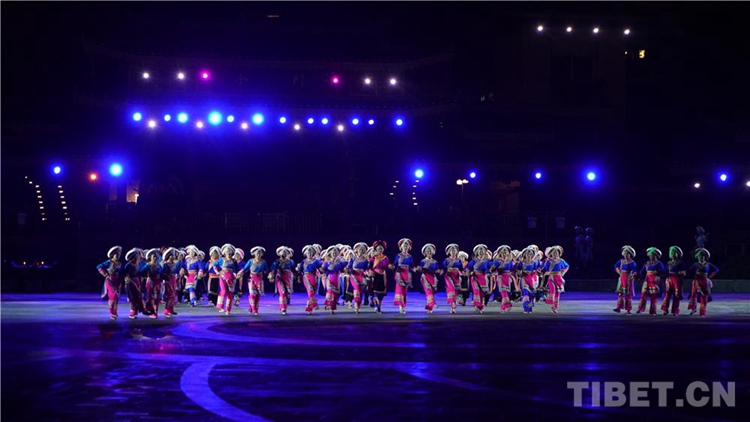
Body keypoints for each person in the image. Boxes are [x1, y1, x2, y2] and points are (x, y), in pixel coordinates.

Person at [237, 247, 268, 315]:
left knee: (257, 295)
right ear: (254, 254)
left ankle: (253, 308)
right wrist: (240, 273)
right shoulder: (251, 261)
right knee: (252, 294)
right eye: (257, 253)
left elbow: (266, 270)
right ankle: (254, 309)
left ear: (262, 254)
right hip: (251, 279)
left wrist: (270, 275)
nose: (258, 254)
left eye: (260, 253)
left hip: (260, 279)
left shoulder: (263, 262)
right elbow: (245, 269)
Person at [687, 248, 719, 317]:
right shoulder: (695, 265)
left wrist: (710, 276)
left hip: (704, 281)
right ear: (697, 257)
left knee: (704, 296)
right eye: (700, 256)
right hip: (696, 281)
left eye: (703, 256)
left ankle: (702, 312)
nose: (701, 257)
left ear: (705, 257)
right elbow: (690, 272)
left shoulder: (708, 264)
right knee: (693, 295)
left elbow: (716, 269)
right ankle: (693, 309)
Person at [637, 247, 666, 316]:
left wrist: (658, 272)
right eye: (650, 255)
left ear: (656, 256)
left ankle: (653, 311)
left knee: (653, 296)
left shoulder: (659, 263)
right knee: (643, 294)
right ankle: (640, 308)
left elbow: (663, 272)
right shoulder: (647, 263)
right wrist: (638, 276)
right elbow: (642, 271)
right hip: (647, 280)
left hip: (655, 280)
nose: (651, 257)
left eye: (653, 255)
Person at [96, 245, 123, 319]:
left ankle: (115, 312)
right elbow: (99, 266)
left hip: (117, 281)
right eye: (116, 254)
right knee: (113, 295)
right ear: (112, 255)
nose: (118, 256)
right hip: (110, 281)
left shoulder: (119, 264)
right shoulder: (108, 262)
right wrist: (104, 273)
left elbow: (121, 272)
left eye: (119, 254)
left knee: (116, 296)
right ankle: (112, 313)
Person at [390, 238, 415, 314]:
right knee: (399, 290)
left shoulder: (410, 256)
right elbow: (394, 264)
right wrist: (391, 267)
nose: (405, 247)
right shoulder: (398, 255)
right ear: (401, 247)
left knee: (404, 291)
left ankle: (403, 306)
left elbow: (411, 266)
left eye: (406, 245)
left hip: (406, 273)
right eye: (404, 245)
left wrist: (416, 269)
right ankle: (400, 307)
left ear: (409, 247)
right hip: (399, 273)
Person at [542, 246, 570, 313]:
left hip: (558, 278)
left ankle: (555, 307)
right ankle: (552, 303)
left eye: (556, 253)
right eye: (554, 253)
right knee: (553, 291)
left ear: (559, 254)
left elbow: (567, 266)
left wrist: (563, 273)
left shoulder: (561, 261)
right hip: (551, 277)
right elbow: (543, 269)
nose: (555, 254)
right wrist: (546, 272)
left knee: (558, 293)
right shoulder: (548, 261)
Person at [269, 246, 295, 315]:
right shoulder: (276, 262)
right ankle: (283, 308)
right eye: (282, 252)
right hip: (279, 278)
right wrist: (271, 275)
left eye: (285, 252)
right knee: (282, 292)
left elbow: (294, 270)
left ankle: (284, 306)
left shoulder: (290, 262)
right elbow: (272, 270)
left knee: (287, 293)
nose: (284, 254)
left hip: (288, 278)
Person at [122, 248, 148, 319]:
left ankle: (137, 311)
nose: (139, 257)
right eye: (138, 256)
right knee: (132, 298)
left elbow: (138, 272)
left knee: (138, 296)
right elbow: (125, 274)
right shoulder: (128, 265)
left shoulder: (137, 264)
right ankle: (132, 313)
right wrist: (128, 280)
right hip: (130, 282)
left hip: (137, 281)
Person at [661, 246, 687, 316]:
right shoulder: (669, 263)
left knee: (676, 296)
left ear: (678, 254)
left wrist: (681, 273)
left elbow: (684, 272)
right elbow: (665, 271)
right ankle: (665, 310)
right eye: (671, 253)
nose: (673, 254)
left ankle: (675, 311)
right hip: (669, 279)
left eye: (674, 253)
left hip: (677, 280)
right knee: (667, 295)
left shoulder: (681, 263)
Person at [298, 245, 323, 314]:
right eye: (308, 253)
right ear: (306, 254)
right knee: (310, 290)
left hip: (314, 277)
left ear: (312, 253)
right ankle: (315, 304)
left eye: (310, 253)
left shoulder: (316, 261)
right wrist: (298, 277)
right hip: (306, 277)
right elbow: (300, 270)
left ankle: (309, 308)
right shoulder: (303, 261)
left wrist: (323, 270)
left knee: (312, 293)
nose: (309, 254)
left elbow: (320, 269)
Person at [613, 245, 638, 315]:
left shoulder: (632, 262)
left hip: (628, 279)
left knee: (628, 294)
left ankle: (628, 310)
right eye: (624, 253)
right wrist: (618, 270)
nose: (625, 255)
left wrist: (634, 275)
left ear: (630, 254)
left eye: (627, 254)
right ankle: (618, 308)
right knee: (620, 293)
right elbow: (615, 265)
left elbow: (635, 270)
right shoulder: (621, 261)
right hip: (621, 278)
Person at [415, 243, 439, 314]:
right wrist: (418, 269)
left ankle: (429, 308)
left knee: (432, 292)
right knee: (428, 291)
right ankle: (433, 303)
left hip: (433, 277)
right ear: (425, 253)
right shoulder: (422, 261)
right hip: (425, 277)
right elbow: (419, 269)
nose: (429, 253)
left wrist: (438, 271)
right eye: (428, 251)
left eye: (430, 251)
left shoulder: (435, 262)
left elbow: (437, 270)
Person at [370, 241, 390, 313]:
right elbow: (369, 267)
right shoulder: (373, 258)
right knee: (375, 292)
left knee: (381, 293)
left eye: (381, 248)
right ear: (376, 249)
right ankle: (376, 306)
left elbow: (387, 265)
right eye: (378, 248)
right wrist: (370, 272)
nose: (380, 250)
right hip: (375, 276)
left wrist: (390, 266)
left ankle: (379, 306)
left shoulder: (385, 258)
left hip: (382, 276)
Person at [442, 244, 462, 314]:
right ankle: (452, 303)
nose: (453, 252)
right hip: (449, 276)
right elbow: (443, 268)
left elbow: (461, 269)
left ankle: (454, 305)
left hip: (456, 276)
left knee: (457, 290)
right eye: (452, 251)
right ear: (449, 252)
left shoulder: (459, 260)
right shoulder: (446, 260)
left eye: (454, 251)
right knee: (451, 289)